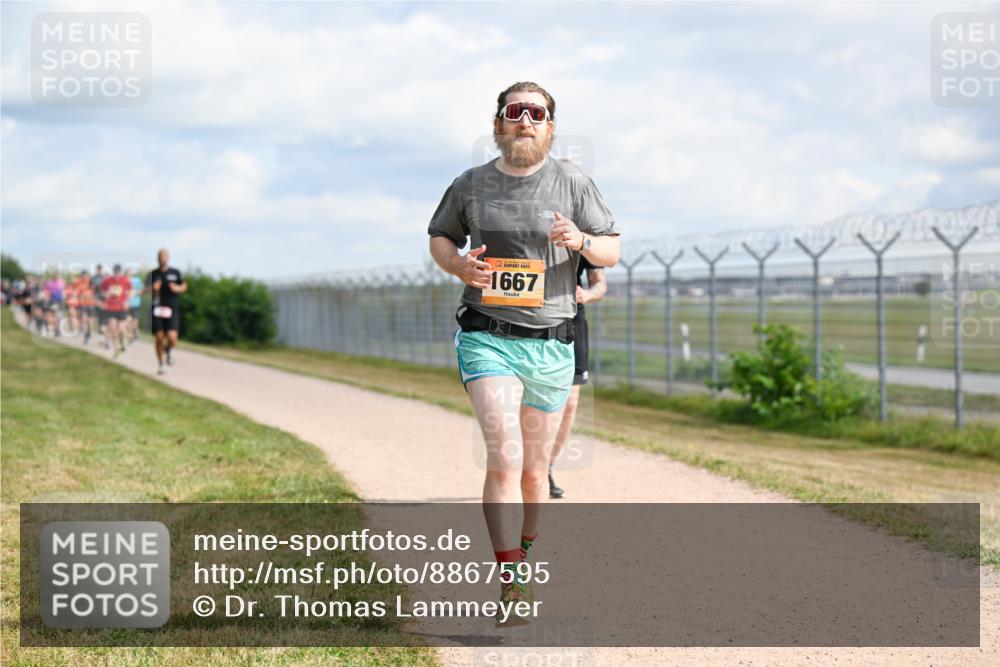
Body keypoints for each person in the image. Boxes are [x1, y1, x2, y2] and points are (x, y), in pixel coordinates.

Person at [427, 81, 620, 625]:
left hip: (552, 344)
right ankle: (511, 580)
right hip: (488, 335)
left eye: (537, 113)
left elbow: (613, 248)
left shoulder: (575, 183)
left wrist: (580, 241)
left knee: (535, 473)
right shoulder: (470, 185)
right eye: (515, 111)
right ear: (498, 124)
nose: (525, 120)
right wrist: (459, 265)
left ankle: (526, 552)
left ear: (551, 127)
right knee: (505, 455)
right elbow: (440, 237)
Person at [547, 259, 606, 498]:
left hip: (571, 318)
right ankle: (523, 464)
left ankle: (545, 467)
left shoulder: (584, 232)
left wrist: (588, 294)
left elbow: (600, 284)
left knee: (570, 403)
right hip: (530, 316)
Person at [145, 249, 186, 375]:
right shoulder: (152, 274)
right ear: (157, 258)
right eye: (160, 256)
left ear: (168, 258)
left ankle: (168, 350)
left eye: (165, 256)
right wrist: (152, 288)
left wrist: (177, 288)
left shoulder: (176, 272)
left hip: (172, 309)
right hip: (157, 309)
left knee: (172, 337)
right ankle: (161, 364)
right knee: (159, 337)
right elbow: (144, 291)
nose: (162, 258)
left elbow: (184, 286)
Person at [100, 264, 132, 357]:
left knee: (121, 328)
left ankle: (123, 342)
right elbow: (103, 292)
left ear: (120, 272)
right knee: (113, 328)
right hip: (110, 308)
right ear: (113, 271)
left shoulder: (125, 281)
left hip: (121, 307)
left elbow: (130, 292)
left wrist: (127, 301)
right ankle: (116, 349)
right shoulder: (107, 281)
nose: (117, 273)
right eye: (115, 271)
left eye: (118, 272)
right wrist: (107, 294)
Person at [126, 267, 143, 344]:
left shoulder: (137, 280)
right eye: (128, 273)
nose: (129, 274)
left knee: (135, 321)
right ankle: (131, 337)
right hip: (127, 304)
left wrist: (134, 292)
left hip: (135, 304)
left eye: (130, 273)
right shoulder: (124, 281)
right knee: (128, 321)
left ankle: (135, 330)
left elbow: (142, 290)